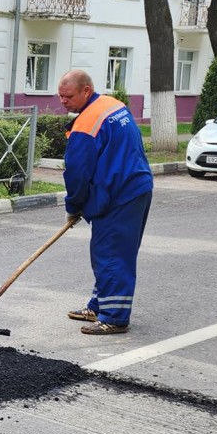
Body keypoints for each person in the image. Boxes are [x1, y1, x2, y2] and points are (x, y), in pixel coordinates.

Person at [57, 70, 153, 335]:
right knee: (110, 252)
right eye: (60, 96)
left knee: (111, 254)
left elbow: (76, 173)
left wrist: (74, 206)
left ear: (86, 90)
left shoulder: (86, 124)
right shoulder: (112, 105)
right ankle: (99, 306)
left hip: (120, 193)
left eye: (69, 96)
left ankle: (114, 317)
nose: (63, 102)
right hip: (134, 185)